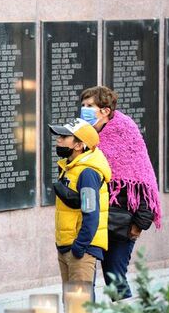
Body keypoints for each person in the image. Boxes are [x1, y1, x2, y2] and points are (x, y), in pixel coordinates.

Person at [80, 86, 161, 300]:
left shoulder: (126, 133)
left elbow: (144, 180)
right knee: (84, 277)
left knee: (114, 277)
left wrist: (140, 224)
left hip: (122, 224)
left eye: (90, 106)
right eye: (83, 105)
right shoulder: (84, 136)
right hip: (92, 221)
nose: (84, 110)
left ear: (105, 110)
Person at [49, 118, 111, 288]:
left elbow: (91, 213)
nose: (58, 140)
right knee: (71, 306)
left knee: (79, 308)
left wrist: (79, 247)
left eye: (64, 136)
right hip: (66, 247)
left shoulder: (87, 173)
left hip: (79, 251)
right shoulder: (71, 168)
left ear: (78, 145)